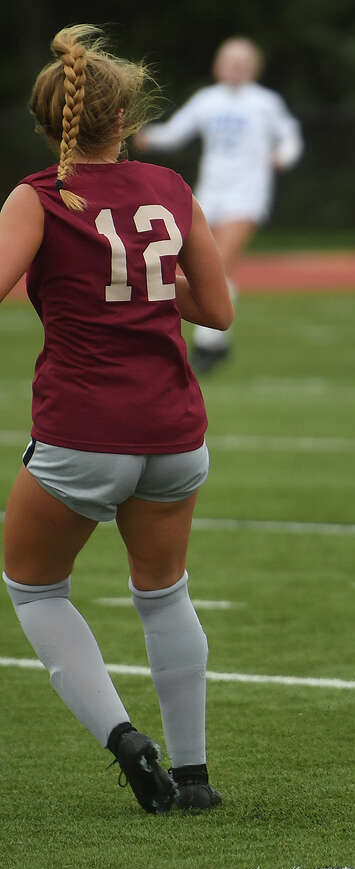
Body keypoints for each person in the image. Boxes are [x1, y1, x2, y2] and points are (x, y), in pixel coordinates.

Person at [1, 24, 233, 812]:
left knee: (34, 589)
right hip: (173, 429)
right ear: (125, 119)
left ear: (47, 121)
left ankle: (123, 738)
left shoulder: (39, 196)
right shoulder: (170, 189)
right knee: (164, 592)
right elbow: (219, 309)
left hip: (82, 429)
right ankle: (196, 778)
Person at [136, 35, 302, 373]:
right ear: (217, 64)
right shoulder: (207, 100)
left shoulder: (265, 103)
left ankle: (207, 346)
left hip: (248, 195)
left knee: (219, 264)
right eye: (230, 60)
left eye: (243, 61)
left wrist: (283, 156)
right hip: (210, 194)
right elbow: (176, 132)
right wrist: (146, 136)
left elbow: (290, 135)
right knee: (201, 266)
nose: (235, 67)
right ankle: (216, 342)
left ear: (254, 67)